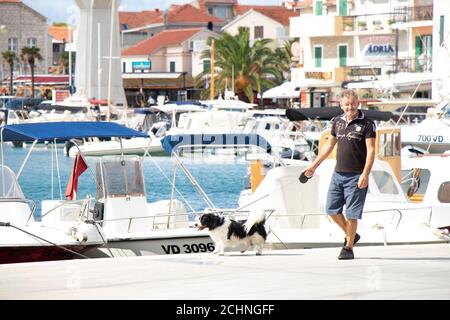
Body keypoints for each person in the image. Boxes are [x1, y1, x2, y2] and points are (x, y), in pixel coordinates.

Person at [303, 89, 376, 260]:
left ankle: (348, 247)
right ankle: (351, 235)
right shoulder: (337, 122)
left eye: (352, 103)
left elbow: (371, 151)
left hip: (356, 175)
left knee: (351, 214)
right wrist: (313, 166)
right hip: (338, 175)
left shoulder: (367, 124)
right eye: (346, 104)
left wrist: (365, 174)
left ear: (358, 103)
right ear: (341, 105)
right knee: (331, 209)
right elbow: (328, 147)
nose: (350, 107)